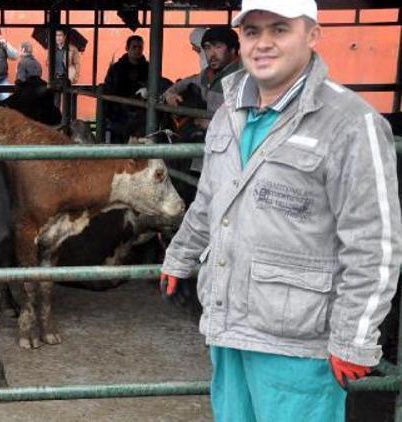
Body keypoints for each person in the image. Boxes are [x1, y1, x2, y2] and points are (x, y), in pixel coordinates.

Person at [159, 1, 401, 421]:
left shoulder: (350, 123)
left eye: (280, 30)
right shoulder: (227, 115)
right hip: (228, 325)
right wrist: (180, 255)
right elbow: (211, 199)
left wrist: (354, 339)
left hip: (297, 342)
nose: (263, 44)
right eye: (252, 32)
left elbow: (374, 243)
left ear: (312, 35)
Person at [162, 26, 242, 118]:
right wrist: (170, 94)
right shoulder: (208, 73)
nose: (212, 54)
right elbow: (186, 82)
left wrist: (210, 123)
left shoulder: (245, 77)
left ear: (233, 49)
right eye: (207, 48)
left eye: (217, 47)